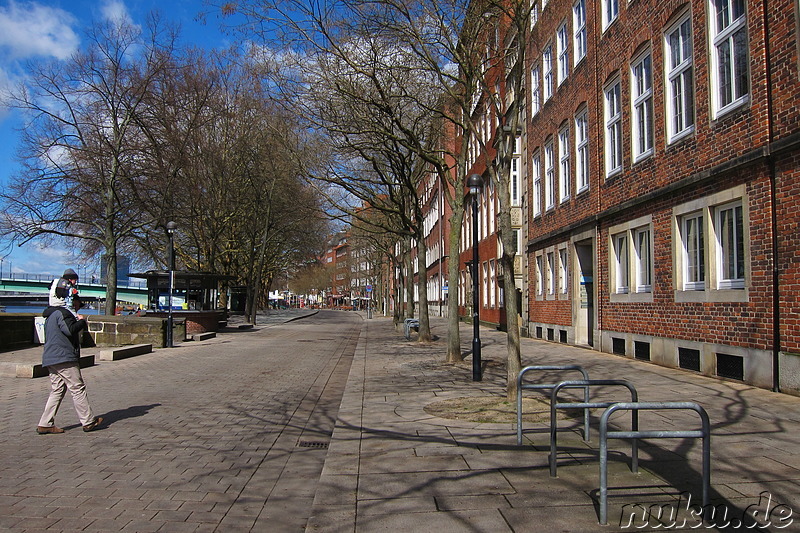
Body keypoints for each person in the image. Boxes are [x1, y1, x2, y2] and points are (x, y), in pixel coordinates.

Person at [36, 295, 103, 434]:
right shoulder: (63, 313)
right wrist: (82, 322)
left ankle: (45, 423)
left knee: (57, 389)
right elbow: (69, 330)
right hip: (63, 357)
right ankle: (88, 421)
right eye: (78, 304)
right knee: (77, 387)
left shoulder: (50, 315)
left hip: (51, 357)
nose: (78, 307)